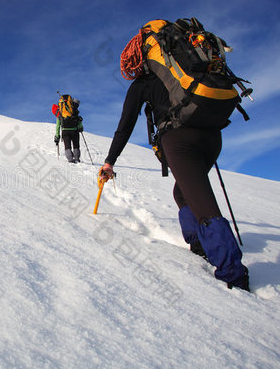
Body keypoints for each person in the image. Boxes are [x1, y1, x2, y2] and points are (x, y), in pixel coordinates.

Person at [100, 51, 250, 292]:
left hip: (180, 140)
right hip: (212, 137)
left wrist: (110, 161)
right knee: (182, 193)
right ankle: (201, 247)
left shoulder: (142, 84)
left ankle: (233, 275)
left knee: (204, 207)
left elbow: (125, 126)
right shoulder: (186, 74)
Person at [53, 95, 84, 163]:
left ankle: (70, 159)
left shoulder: (60, 113)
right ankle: (77, 159)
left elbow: (58, 126)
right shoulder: (74, 110)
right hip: (74, 130)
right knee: (76, 145)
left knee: (67, 146)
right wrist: (81, 128)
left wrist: (57, 136)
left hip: (65, 131)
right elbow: (78, 120)